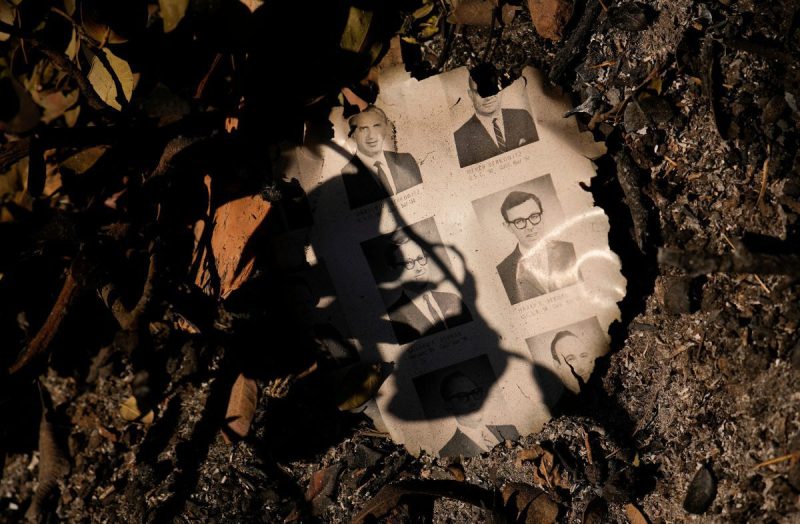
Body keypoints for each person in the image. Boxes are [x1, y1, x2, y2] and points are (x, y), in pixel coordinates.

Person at [385, 233, 472, 344]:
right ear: (394, 269)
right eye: (409, 263)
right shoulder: (394, 315)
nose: (419, 268)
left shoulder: (453, 299)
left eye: (420, 259)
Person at [496, 191, 580, 305]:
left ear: (543, 215)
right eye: (519, 221)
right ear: (508, 227)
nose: (530, 227)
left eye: (534, 216)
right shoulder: (502, 272)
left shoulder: (572, 250)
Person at [453, 64, 538, 168]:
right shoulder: (460, 138)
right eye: (480, 93)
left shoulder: (523, 117)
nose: (488, 98)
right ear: (470, 95)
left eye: (492, 89)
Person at [341, 105, 423, 209]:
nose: (372, 136)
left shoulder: (407, 160)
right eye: (363, 129)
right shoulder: (345, 177)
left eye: (376, 126)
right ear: (352, 135)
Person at [437, 369, 519, 457]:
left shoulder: (510, 431)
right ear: (448, 406)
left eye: (475, 392)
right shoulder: (448, 453)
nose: (473, 401)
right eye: (462, 396)